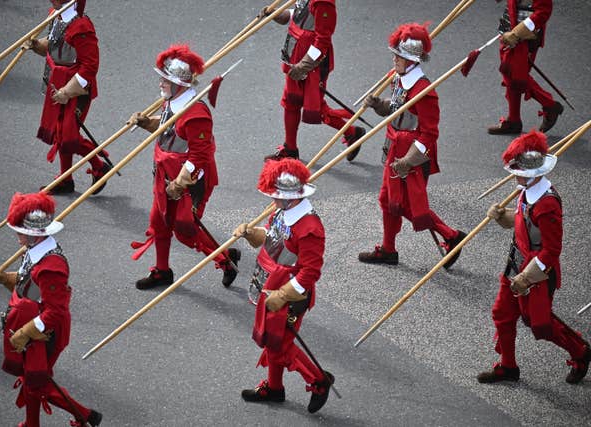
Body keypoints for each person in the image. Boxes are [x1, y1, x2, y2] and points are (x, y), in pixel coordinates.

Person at [478, 130, 590, 384]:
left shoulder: (548, 203)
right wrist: (501, 215)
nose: (514, 175)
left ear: (531, 174)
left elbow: (551, 250)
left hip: (537, 270)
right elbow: (520, 222)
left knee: (539, 324)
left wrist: (526, 278)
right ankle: (508, 366)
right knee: (502, 313)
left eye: (518, 171)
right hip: (516, 263)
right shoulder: (526, 192)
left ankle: (580, 350)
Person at [0, 192, 102, 426]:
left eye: (21, 232)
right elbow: (30, 283)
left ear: (35, 236)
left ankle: (85, 415)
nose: (17, 235)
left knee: (37, 382)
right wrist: (4, 278)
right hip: (35, 324)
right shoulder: (37, 252)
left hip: (45, 331)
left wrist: (26, 332)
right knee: (32, 381)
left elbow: (55, 311)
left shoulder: (52, 267)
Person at [128, 44, 239, 290]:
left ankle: (225, 259)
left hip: (191, 178)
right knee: (158, 222)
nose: (160, 84)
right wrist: (148, 122)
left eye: (165, 80)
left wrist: (179, 183)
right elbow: (168, 127)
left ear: (179, 85)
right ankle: (162, 271)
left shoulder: (196, 113)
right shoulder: (171, 101)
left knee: (185, 229)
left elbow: (199, 155)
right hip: (165, 173)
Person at [360, 23, 465, 268]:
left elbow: (429, 134)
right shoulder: (399, 78)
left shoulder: (424, 91)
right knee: (387, 200)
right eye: (396, 54)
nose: (394, 58)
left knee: (406, 205)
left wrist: (408, 160)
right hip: (393, 146)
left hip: (411, 154)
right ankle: (388, 249)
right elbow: (396, 110)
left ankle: (450, 235)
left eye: (400, 56)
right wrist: (378, 105)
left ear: (412, 61)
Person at [234, 158, 334, 414]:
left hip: (290, 292)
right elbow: (272, 239)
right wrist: (250, 232)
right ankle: (275, 388)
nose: (272, 199)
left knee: (281, 345)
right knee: (273, 340)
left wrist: (282, 296)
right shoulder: (282, 211)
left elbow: (310, 272)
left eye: (277, 196)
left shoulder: (310, 227)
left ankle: (318, 380)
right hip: (271, 281)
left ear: (292, 198)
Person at [261, 0, 366, 162]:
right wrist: (275, 14)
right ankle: (290, 148)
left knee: (316, 106)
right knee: (290, 101)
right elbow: (297, 15)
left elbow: (323, 40)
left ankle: (352, 132)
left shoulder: (324, 3)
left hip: (312, 61)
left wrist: (304, 66)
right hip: (296, 53)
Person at [25, 0, 111, 194]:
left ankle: (98, 166)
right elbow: (54, 44)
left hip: (76, 88)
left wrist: (66, 92)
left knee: (67, 137)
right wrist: (36, 44)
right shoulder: (55, 15)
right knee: (59, 132)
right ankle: (68, 178)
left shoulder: (81, 28)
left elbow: (90, 66)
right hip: (56, 81)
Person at [487, 0, 563, 135]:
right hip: (509, 29)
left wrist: (516, 33)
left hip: (524, 36)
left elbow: (543, 12)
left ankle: (549, 105)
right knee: (511, 75)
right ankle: (514, 120)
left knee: (516, 76)